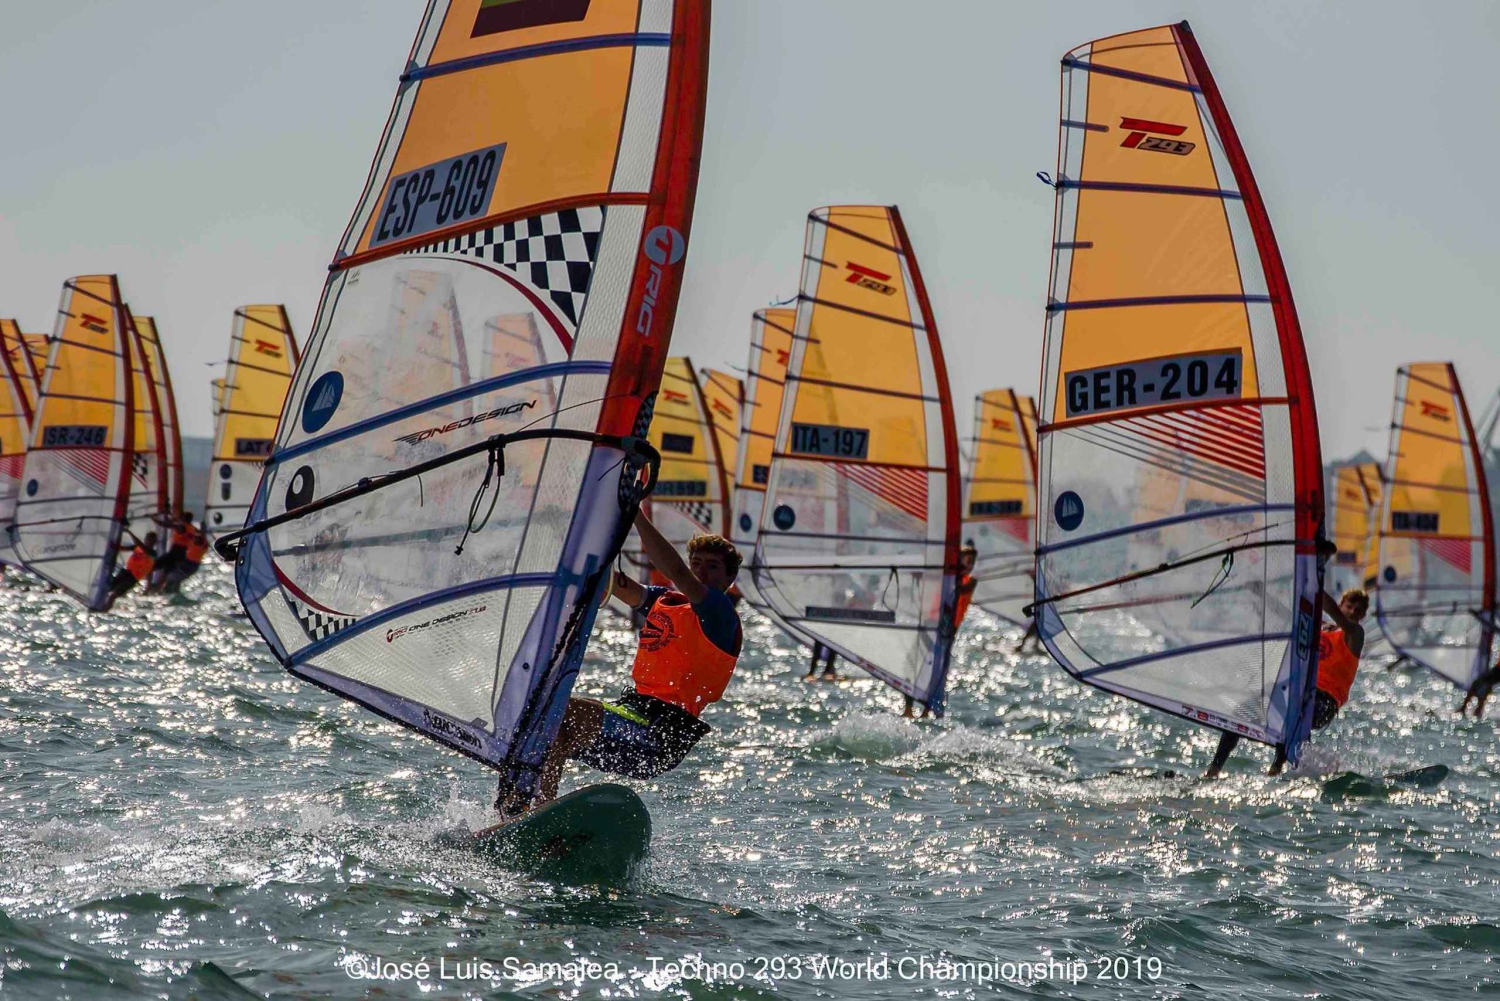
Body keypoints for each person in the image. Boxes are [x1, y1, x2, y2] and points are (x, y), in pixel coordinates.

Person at [498, 509, 742, 816]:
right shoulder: (665, 601)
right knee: (545, 717)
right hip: (630, 715)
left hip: (659, 736)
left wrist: (634, 513)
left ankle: (541, 809)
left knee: (562, 712)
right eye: (696, 563)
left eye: (712, 566)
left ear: (729, 579)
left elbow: (677, 573)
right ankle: (517, 810)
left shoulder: (720, 612)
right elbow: (612, 585)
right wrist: (574, 538)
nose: (700, 571)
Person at [1205, 588, 1368, 778]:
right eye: (1349, 606)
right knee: (1242, 712)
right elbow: (1285, 615)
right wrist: (1261, 593)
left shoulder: (1355, 634)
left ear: (1362, 616)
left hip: (1324, 702)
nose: (1352, 612)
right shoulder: (1319, 627)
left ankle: (1275, 769)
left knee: (1294, 704)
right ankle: (1213, 771)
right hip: (1298, 691)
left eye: (1358, 610)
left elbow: (1334, 612)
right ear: (1342, 604)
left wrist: (1315, 587)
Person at [902, 545, 980, 718]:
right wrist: (920, 575)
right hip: (930, 625)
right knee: (912, 665)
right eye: (967, 560)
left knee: (936, 671)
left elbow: (961, 590)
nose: (970, 565)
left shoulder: (970, 582)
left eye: (972, 562)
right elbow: (929, 580)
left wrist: (954, 575)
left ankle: (927, 710)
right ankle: (908, 709)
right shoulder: (944, 578)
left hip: (947, 632)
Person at [153, 518, 210, 594]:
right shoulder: (193, 536)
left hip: (191, 564)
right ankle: (173, 592)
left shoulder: (203, 543)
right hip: (186, 561)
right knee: (175, 577)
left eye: (197, 537)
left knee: (172, 577)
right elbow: (192, 533)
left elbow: (201, 536)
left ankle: (167, 591)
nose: (195, 539)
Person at [105, 530, 159, 609]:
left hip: (132, 578)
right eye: (148, 539)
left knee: (113, 596)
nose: (149, 542)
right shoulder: (137, 547)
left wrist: (130, 533)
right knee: (107, 588)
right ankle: (99, 606)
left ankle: (104, 611)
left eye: (151, 540)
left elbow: (150, 572)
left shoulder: (152, 554)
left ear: (155, 542)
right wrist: (114, 546)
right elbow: (122, 548)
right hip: (125, 573)